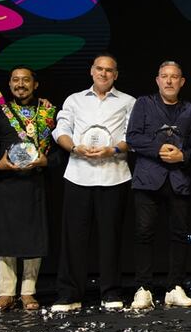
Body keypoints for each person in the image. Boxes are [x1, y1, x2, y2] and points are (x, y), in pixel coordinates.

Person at [50, 54, 135, 312]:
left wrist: (114, 150)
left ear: (115, 75)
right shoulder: (74, 100)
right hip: (79, 174)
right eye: (99, 69)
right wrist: (74, 147)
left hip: (114, 175)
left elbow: (132, 135)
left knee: (111, 237)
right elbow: (61, 130)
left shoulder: (129, 101)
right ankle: (69, 295)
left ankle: (110, 292)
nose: (103, 73)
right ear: (91, 71)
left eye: (109, 70)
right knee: (73, 238)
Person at [126, 60, 191, 309]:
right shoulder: (143, 104)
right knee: (144, 233)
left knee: (179, 234)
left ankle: (174, 287)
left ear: (182, 81)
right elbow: (132, 137)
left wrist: (184, 156)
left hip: (178, 179)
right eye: (164, 76)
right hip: (148, 179)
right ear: (157, 80)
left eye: (174, 76)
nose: (169, 81)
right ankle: (143, 288)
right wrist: (158, 149)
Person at [0, 66, 59, 312]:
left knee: (34, 237)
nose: (20, 84)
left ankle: (28, 292)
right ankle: (5, 293)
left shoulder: (48, 112)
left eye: (26, 80)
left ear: (35, 84)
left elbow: (59, 151)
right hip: (8, 183)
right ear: (9, 84)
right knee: (6, 237)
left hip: (36, 182)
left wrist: (47, 162)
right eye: (15, 80)